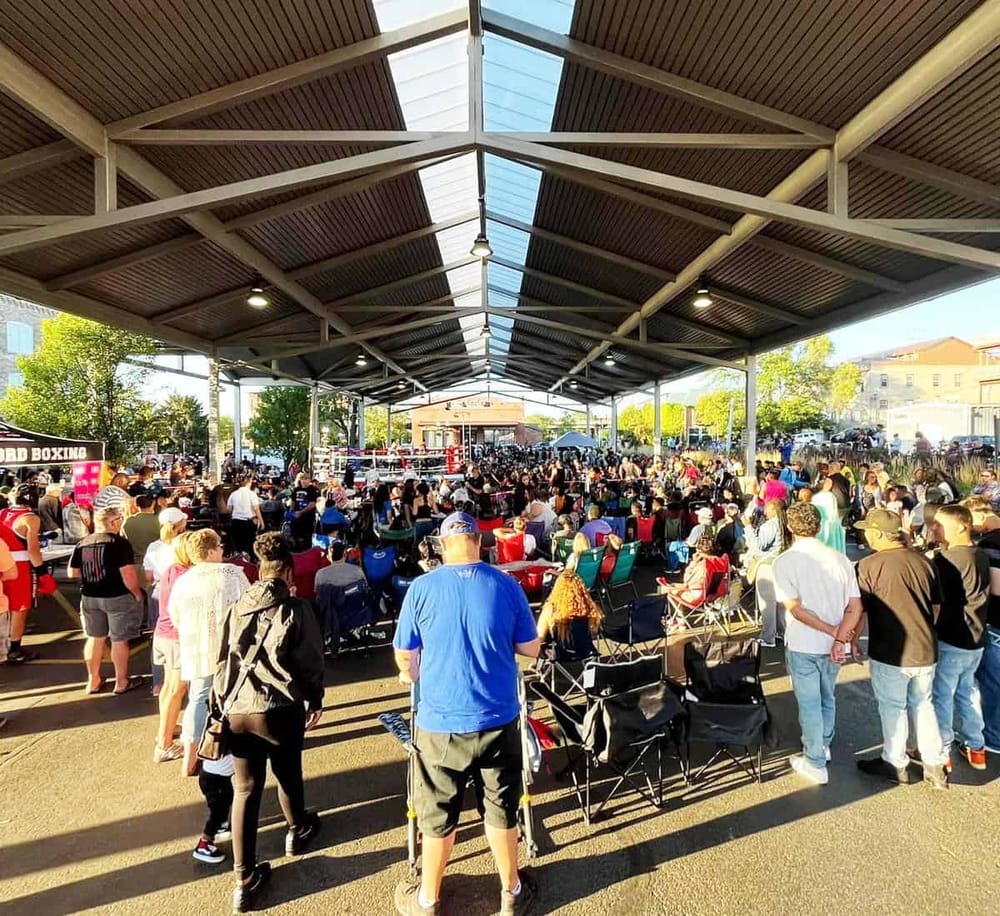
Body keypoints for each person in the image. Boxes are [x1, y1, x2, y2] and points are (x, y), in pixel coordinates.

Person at [392, 512, 540, 916]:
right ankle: (511, 889)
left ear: (442, 546)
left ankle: (428, 899)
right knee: (501, 806)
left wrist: (409, 672)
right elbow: (531, 649)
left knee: (437, 813)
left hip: (439, 724)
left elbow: (405, 656)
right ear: (479, 541)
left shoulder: (421, 589)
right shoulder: (506, 586)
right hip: (497, 718)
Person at [216, 532, 325, 913]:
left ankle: (243, 879)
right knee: (288, 773)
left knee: (244, 789)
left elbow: (222, 662)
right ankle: (297, 830)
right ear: (289, 573)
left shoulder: (236, 608)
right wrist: (316, 699)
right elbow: (311, 662)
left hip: (237, 709)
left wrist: (220, 708)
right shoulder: (296, 609)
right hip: (280, 708)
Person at [853, 509, 949, 789]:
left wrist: (851, 640)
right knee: (924, 704)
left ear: (880, 534)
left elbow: (859, 611)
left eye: (869, 530)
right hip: (925, 647)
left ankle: (896, 762)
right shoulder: (925, 562)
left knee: (893, 707)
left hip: (890, 650)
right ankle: (935, 764)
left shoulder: (868, 566)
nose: (865, 534)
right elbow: (936, 607)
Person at [772, 502, 862, 785]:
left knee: (809, 703)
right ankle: (822, 744)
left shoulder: (784, 562)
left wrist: (830, 630)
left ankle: (814, 760)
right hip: (835, 645)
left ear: (789, 527)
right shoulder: (841, 559)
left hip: (803, 642)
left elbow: (796, 609)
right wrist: (839, 637)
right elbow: (855, 606)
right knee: (827, 696)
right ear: (820, 526)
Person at [170, 528, 251, 777]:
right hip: (231, 648)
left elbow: (175, 616)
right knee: (236, 697)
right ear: (213, 549)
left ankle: (191, 756)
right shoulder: (232, 574)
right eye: (220, 546)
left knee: (198, 698)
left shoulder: (183, 580)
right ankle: (236, 750)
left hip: (197, 648)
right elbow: (247, 606)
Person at [929, 505, 991, 771]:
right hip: (976, 637)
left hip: (952, 637)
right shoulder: (980, 554)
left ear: (961, 526)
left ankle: (942, 752)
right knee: (967, 691)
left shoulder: (946, 560)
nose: (934, 528)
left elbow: (936, 602)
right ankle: (976, 746)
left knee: (943, 695)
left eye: (940, 525)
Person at [67, 506, 145, 694]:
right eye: (120, 518)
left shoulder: (83, 542)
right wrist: (136, 593)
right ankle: (121, 681)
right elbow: (127, 574)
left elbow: (72, 572)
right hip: (116, 595)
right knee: (119, 640)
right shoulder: (119, 543)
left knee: (95, 638)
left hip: (90, 596)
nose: (121, 521)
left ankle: (93, 680)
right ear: (113, 522)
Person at [152, 530, 194, 763]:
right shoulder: (187, 575)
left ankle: (166, 728)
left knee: (169, 687)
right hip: (177, 636)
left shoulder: (171, 570)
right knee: (177, 689)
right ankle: (164, 743)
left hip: (163, 633)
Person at [0, 487, 44, 663]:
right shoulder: (31, 518)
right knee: (20, 606)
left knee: (5, 603)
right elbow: (33, 551)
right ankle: (14, 648)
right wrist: (42, 572)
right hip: (20, 567)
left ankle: (7, 641)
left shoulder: (3, 512)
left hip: (3, 560)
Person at [536, 567, 604, 644]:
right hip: (586, 653)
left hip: (562, 654)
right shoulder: (591, 610)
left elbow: (539, 638)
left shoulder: (550, 610)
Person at [194, 753, 235, 865]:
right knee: (218, 812)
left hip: (219, 777)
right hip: (212, 780)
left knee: (227, 799)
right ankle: (204, 843)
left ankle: (221, 825)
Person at [228, 477, 264, 557]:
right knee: (250, 544)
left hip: (236, 521)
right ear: (249, 483)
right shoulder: (252, 494)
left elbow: (229, 509)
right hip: (248, 522)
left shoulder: (233, 494)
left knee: (238, 544)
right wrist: (261, 521)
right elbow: (256, 508)